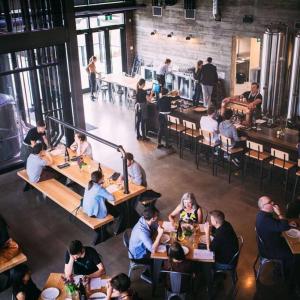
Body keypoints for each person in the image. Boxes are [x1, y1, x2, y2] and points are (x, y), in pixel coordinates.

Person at [256, 196, 295, 279]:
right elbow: (285, 228)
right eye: (270, 202)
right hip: (269, 250)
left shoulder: (262, 214)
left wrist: (287, 222)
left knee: (288, 244)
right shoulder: (265, 220)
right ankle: (280, 273)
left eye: (271, 201)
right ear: (263, 206)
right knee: (293, 255)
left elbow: (275, 223)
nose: (273, 203)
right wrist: (279, 214)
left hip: (269, 243)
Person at [129, 207, 164, 283]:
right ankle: (147, 275)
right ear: (153, 218)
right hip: (138, 256)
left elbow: (153, 224)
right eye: (156, 216)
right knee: (159, 257)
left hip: (140, 248)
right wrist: (159, 234)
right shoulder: (142, 232)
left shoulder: (143, 218)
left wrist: (158, 227)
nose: (158, 217)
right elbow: (153, 250)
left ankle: (154, 270)